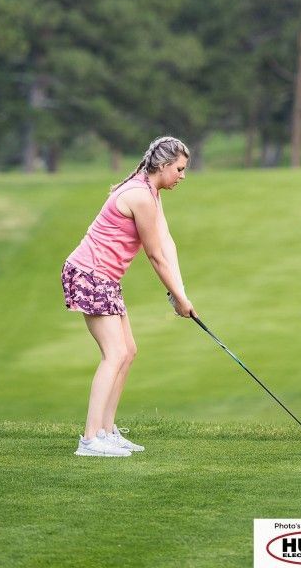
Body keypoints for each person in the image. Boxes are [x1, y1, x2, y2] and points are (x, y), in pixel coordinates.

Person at [61, 135, 197, 457]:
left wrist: (182, 294)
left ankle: (107, 432)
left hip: (105, 278)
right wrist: (177, 297)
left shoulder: (151, 192)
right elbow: (154, 256)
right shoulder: (140, 196)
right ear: (163, 165)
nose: (182, 176)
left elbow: (167, 243)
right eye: (179, 169)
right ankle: (90, 439)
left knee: (128, 351)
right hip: (89, 275)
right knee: (115, 354)